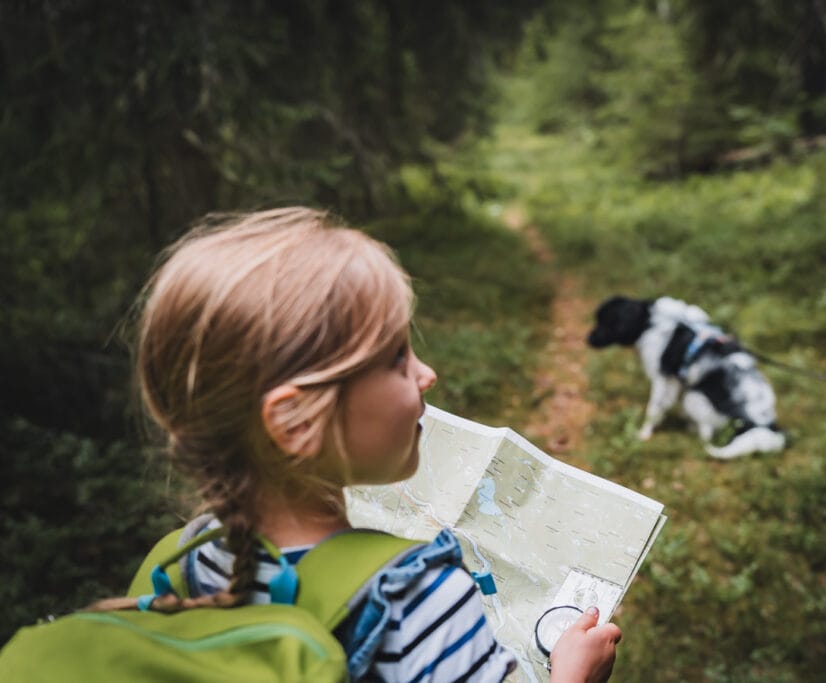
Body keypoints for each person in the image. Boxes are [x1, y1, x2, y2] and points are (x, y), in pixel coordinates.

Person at [121, 207, 622, 682]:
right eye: (397, 359)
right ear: (295, 421)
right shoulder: (420, 598)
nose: (427, 374)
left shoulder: (194, 556)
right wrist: (572, 674)